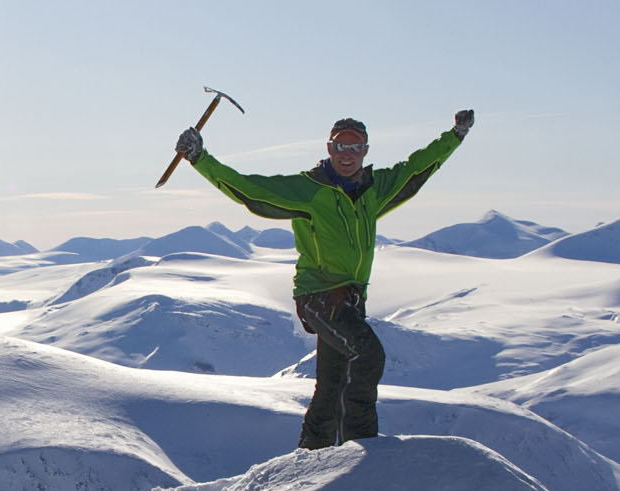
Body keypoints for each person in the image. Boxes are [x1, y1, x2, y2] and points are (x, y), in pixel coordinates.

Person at [173, 109, 474, 449]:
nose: (347, 155)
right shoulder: (308, 189)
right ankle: (363, 447)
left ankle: (312, 453)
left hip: (351, 298)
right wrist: (200, 159)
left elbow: (416, 169)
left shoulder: (373, 190)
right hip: (319, 295)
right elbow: (251, 190)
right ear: (329, 149)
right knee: (369, 355)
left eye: (355, 147)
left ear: (365, 151)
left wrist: (454, 136)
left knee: (333, 382)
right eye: (340, 147)